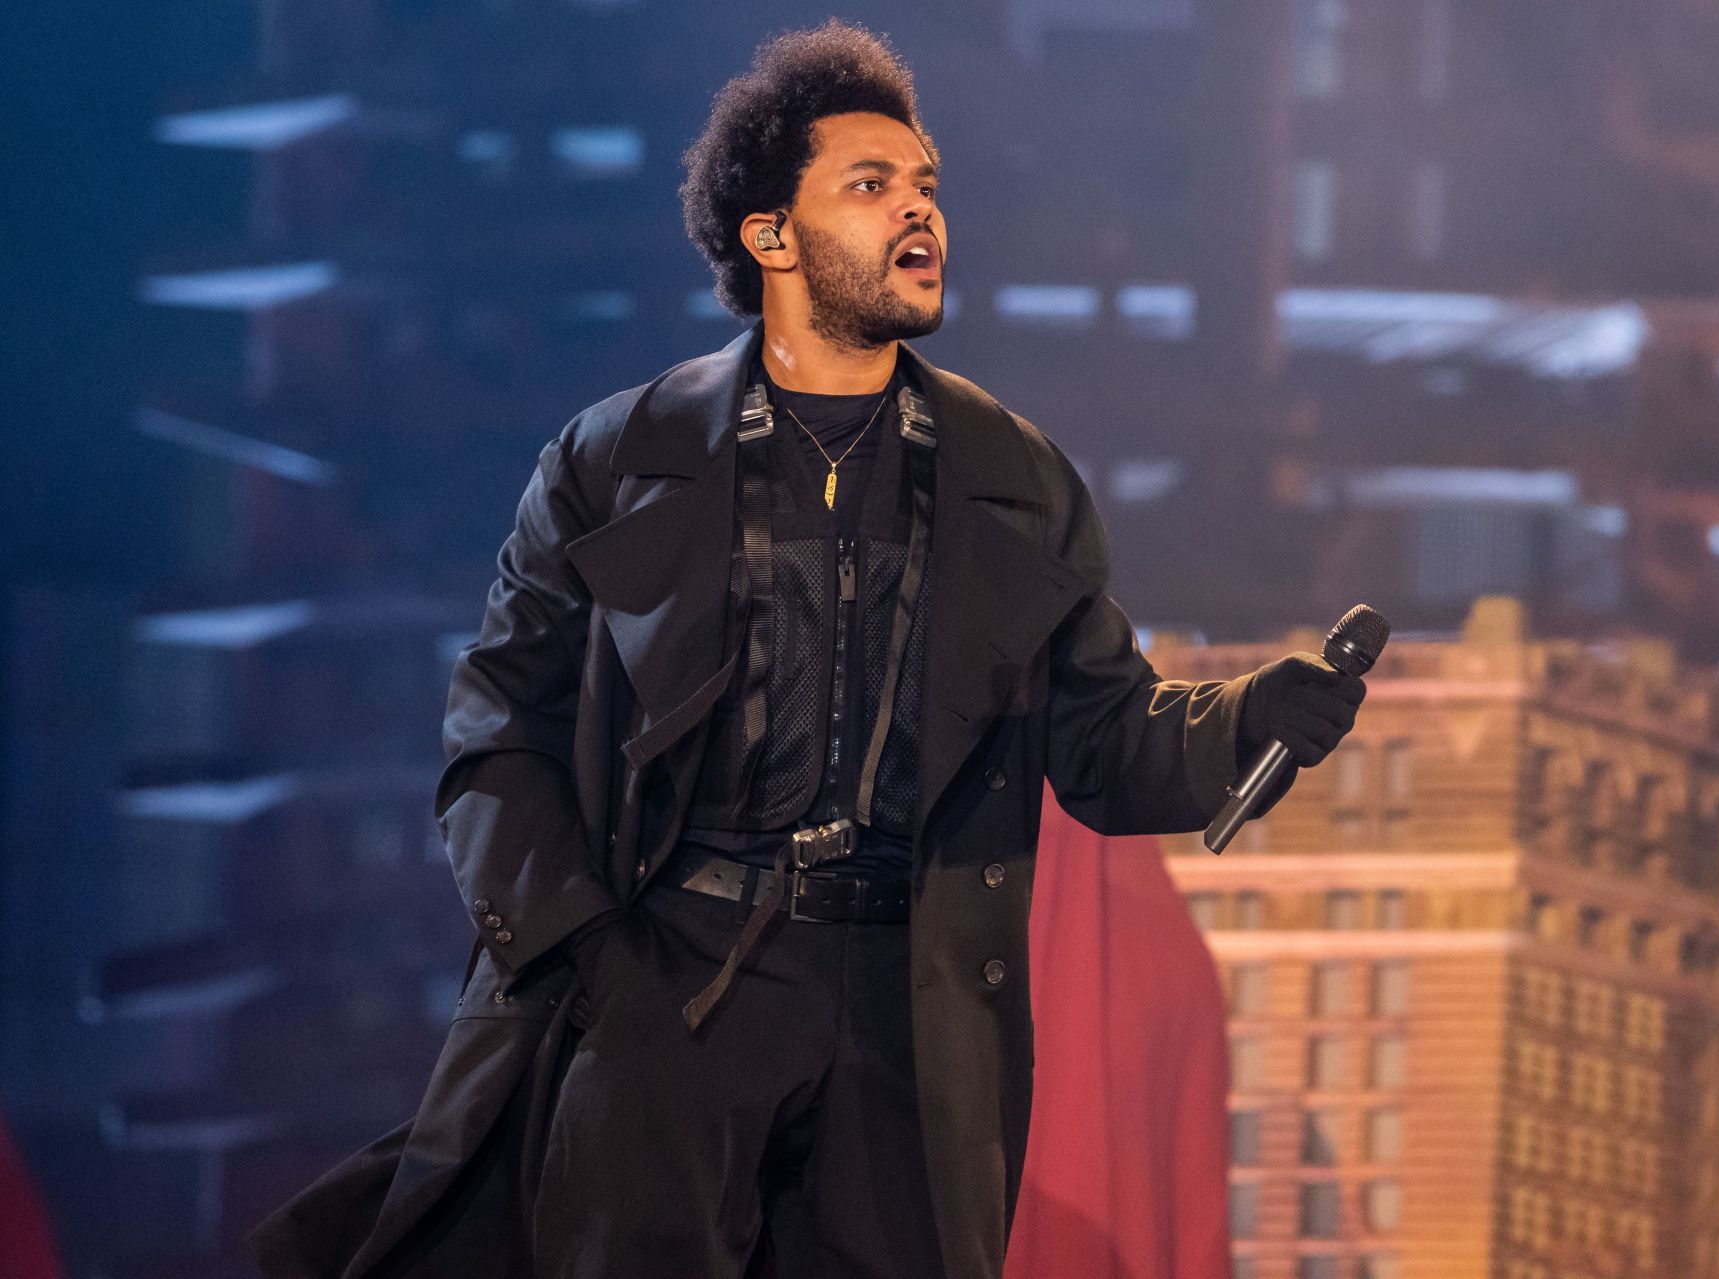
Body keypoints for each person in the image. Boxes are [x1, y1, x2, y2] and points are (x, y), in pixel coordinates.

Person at [250, 20, 1364, 1279]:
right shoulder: (615, 462)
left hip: (909, 1004)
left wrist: (1245, 724)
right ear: (771, 236)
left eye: (929, 185)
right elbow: (495, 737)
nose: (919, 212)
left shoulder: (1017, 478)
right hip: (671, 981)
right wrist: (594, 969)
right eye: (871, 184)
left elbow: (1105, 743)